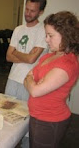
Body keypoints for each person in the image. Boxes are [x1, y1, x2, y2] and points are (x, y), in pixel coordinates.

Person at [24, 11, 79, 148]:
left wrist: (32, 81)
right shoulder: (50, 56)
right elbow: (27, 77)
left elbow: (35, 91)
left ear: (66, 36)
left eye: (51, 35)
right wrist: (31, 80)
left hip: (49, 120)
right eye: (46, 35)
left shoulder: (67, 63)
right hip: (38, 116)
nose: (46, 40)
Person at [5, 0, 48, 101]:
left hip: (30, 80)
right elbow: (8, 57)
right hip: (13, 77)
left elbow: (31, 59)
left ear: (41, 12)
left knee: (25, 113)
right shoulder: (18, 29)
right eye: (27, 9)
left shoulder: (43, 31)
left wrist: (15, 52)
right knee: (5, 110)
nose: (28, 13)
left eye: (32, 11)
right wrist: (27, 55)